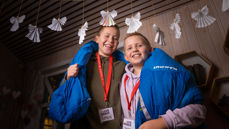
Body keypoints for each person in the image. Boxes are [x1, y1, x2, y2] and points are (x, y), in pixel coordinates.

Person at [120, 32, 207, 129]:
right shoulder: (124, 80)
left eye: (139, 45)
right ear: (126, 57)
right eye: (129, 48)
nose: (135, 49)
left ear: (150, 49)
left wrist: (165, 122)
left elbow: (199, 110)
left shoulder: (167, 73)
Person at [49, 25, 127, 129]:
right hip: (84, 123)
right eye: (107, 36)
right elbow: (68, 90)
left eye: (115, 38)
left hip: (114, 125)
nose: (111, 40)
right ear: (97, 39)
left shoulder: (123, 66)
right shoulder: (84, 63)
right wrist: (68, 77)